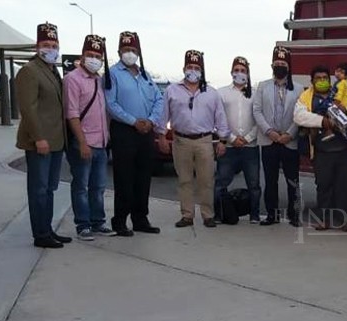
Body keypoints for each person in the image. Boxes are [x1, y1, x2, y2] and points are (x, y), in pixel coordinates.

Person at [157, 50, 231, 228]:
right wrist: (161, 137)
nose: (193, 70)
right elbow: (163, 115)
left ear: (202, 71)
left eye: (196, 67)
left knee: (206, 180)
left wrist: (222, 140)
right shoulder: (172, 90)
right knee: (184, 180)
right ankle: (187, 215)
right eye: (189, 67)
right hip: (181, 140)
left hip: (204, 140)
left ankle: (208, 215)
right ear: (184, 68)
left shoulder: (211, 93)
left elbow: (220, 117)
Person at [16, 23, 71, 249]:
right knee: (38, 189)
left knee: (49, 188)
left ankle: (47, 229)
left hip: (56, 140)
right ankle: (40, 234)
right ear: (37, 46)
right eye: (46, 45)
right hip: (40, 141)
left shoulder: (51, 70)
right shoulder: (30, 71)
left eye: (54, 45)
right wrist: (39, 137)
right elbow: (28, 108)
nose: (51, 49)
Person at [105, 31, 164, 236]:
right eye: (126, 49)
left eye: (133, 50)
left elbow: (159, 99)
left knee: (143, 177)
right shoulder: (112, 73)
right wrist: (133, 121)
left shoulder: (145, 75)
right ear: (119, 51)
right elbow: (110, 103)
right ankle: (120, 220)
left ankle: (141, 219)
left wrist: (151, 121)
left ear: (138, 53)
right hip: (124, 131)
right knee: (124, 177)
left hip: (146, 132)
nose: (129, 53)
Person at [294, 65, 347, 231]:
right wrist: (323, 121)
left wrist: (345, 110)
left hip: (343, 149)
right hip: (322, 150)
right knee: (323, 187)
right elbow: (299, 116)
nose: (322, 81)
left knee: (345, 186)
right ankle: (323, 220)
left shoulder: (339, 94)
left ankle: (346, 221)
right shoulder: (306, 97)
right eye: (318, 78)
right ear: (312, 81)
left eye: (325, 78)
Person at [64, 34, 115, 241]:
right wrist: (82, 142)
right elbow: (72, 113)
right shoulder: (72, 79)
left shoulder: (99, 80)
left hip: (101, 143)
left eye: (98, 56)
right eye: (90, 55)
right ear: (83, 56)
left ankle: (97, 222)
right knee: (81, 186)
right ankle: (82, 225)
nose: (94, 59)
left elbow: (104, 111)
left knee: (98, 187)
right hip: (83, 143)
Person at [254, 46, 304, 227]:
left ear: (288, 67)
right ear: (272, 65)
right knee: (270, 180)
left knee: (293, 180)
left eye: (283, 63)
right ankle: (272, 215)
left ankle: (294, 215)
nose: (280, 66)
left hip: (289, 141)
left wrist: (290, 134)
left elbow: (301, 114)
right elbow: (257, 111)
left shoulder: (298, 88)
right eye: (277, 63)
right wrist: (270, 132)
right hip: (269, 140)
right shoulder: (263, 86)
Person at [214, 56, 262, 225]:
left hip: (251, 146)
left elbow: (259, 120)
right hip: (229, 146)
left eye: (243, 71)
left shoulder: (256, 94)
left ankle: (254, 214)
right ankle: (218, 214)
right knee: (221, 182)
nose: (239, 73)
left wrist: (248, 138)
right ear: (231, 72)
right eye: (237, 70)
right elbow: (217, 120)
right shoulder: (221, 93)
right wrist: (231, 138)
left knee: (254, 183)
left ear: (248, 74)